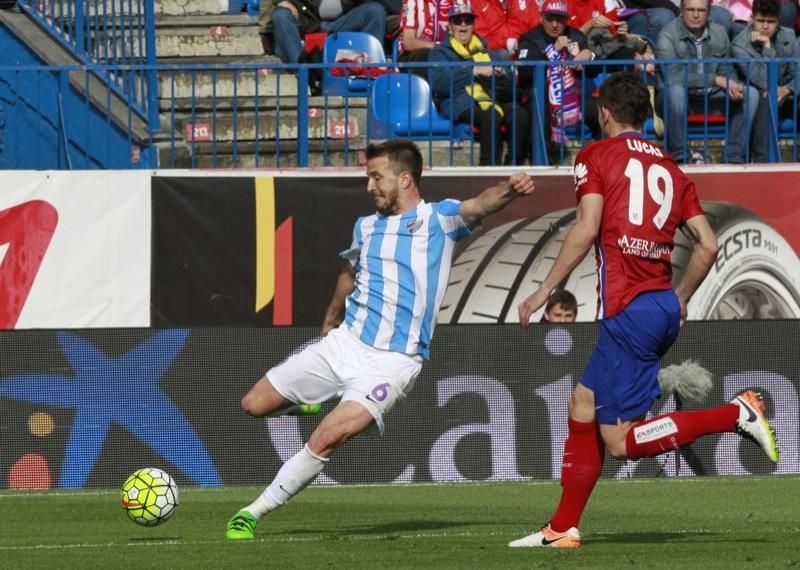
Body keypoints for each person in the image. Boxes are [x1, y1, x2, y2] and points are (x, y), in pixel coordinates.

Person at [511, 72, 779, 548]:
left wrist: (544, 291)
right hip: (659, 303)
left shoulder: (594, 156)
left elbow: (587, 227)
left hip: (628, 310)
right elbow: (709, 244)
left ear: (605, 112)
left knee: (620, 443)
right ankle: (562, 527)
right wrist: (681, 296)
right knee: (583, 402)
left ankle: (734, 414)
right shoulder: (674, 170)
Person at [225, 140, 535, 540]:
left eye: (376, 177)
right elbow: (349, 274)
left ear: (405, 179)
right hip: (345, 344)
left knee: (329, 436)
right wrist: (329, 321)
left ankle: (253, 512)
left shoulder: (437, 219)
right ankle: (308, 404)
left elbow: (481, 204)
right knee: (253, 405)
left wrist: (511, 188)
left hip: (393, 362)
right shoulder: (365, 226)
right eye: (368, 177)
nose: (370, 185)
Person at [655, 0, 759, 163]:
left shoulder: (719, 33)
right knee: (676, 92)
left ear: (709, 12)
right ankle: (680, 156)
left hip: (712, 97)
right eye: (690, 10)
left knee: (750, 94)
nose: (695, 15)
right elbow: (673, 77)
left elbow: (727, 69)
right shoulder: (667, 36)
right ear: (682, 10)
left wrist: (733, 84)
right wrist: (715, 79)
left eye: (701, 10)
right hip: (678, 100)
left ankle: (734, 158)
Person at [429, 3, 532, 165]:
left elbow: (510, 77)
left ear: (473, 25)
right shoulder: (440, 52)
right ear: (450, 26)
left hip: (492, 96)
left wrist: (502, 72)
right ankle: (488, 167)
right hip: (460, 101)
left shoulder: (486, 51)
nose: (463, 25)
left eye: (468, 21)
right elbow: (439, 83)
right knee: (491, 115)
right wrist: (473, 71)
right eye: (458, 21)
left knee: (519, 113)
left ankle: (513, 164)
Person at [516, 0, 602, 161]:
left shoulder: (576, 36)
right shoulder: (530, 39)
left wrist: (589, 55)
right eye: (550, 18)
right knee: (540, 109)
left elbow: (593, 71)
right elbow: (525, 73)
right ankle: (542, 162)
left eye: (559, 19)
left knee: (603, 112)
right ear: (541, 17)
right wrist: (553, 51)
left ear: (567, 19)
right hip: (542, 99)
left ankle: (605, 161)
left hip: (573, 98)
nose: (554, 24)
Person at [731, 0, 799, 162]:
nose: (766, 27)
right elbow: (762, 81)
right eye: (761, 21)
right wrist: (768, 47)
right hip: (759, 99)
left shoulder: (789, 36)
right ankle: (762, 160)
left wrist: (787, 89)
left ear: (779, 19)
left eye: (771, 22)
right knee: (764, 96)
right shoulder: (740, 45)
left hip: (787, 94)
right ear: (751, 18)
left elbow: (797, 72)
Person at [267, 0, 387, 65]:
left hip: (340, 21)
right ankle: (304, 70)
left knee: (374, 10)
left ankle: (370, 69)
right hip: (305, 20)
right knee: (281, 15)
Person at [396, 0, 453, 78]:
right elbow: (408, 42)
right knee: (424, 54)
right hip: (414, 57)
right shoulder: (413, 1)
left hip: (446, 53)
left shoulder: (455, 2)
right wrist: (439, 46)